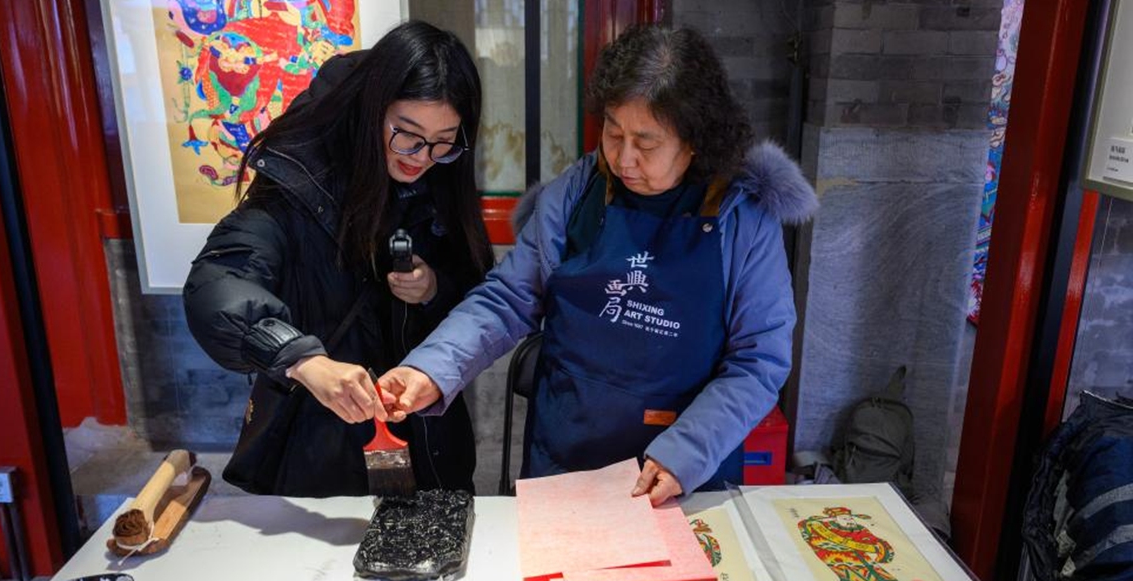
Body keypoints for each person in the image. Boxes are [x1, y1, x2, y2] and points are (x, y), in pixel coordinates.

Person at [379, 24, 816, 504]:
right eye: (613, 131)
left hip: (683, 470)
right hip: (566, 454)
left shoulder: (743, 217)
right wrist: (431, 369)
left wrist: (686, 453)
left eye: (646, 143)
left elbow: (759, 361)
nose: (624, 159)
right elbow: (506, 299)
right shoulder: (578, 191)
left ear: (694, 140)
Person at [184, 21, 494, 497]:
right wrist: (299, 358)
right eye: (406, 134)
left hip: (428, 434)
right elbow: (218, 279)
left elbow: (479, 289)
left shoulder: (441, 177)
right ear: (372, 111)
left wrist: (435, 287)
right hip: (319, 443)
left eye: (443, 140)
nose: (422, 156)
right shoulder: (300, 182)